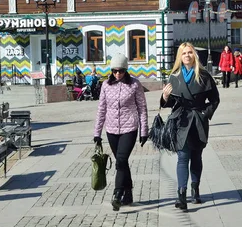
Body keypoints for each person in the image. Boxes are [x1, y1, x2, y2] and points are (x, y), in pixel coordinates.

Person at [161, 42, 220, 210]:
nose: (187, 55)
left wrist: (205, 113)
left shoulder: (204, 76)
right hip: (181, 122)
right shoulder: (174, 76)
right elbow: (170, 102)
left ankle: (195, 189)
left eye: (190, 52)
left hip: (198, 121)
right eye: (184, 53)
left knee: (196, 157)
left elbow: (215, 99)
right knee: (182, 157)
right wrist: (165, 97)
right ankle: (181, 195)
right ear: (180, 56)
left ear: (194, 55)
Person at [93, 53, 148, 211]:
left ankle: (117, 194)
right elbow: (101, 110)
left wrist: (144, 131)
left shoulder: (135, 85)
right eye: (115, 71)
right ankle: (129, 193)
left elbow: (142, 109)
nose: (118, 74)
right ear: (111, 70)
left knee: (121, 161)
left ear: (126, 70)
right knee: (122, 163)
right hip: (111, 130)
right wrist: (97, 133)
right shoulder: (105, 85)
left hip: (129, 128)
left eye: (121, 71)